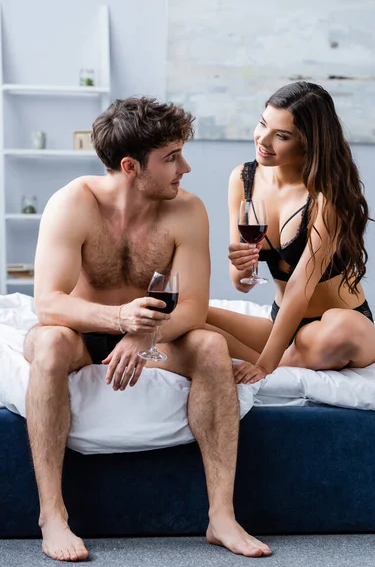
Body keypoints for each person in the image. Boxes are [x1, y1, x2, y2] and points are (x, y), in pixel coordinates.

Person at [24, 97, 271, 561]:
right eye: (172, 157)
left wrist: (143, 335)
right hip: (82, 331)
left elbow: (194, 307)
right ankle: (52, 516)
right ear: (130, 166)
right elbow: (48, 304)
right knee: (50, 344)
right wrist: (119, 320)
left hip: (153, 334)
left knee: (212, 347)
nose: (186, 167)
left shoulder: (186, 211)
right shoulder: (73, 203)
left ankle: (222, 517)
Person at [207, 81, 375, 384]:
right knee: (191, 311)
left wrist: (265, 365)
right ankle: (287, 356)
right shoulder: (243, 179)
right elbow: (241, 284)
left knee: (342, 327)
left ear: (308, 142)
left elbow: (301, 286)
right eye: (263, 124)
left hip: (339, 328)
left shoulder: (326, 195)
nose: (264, 140)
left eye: (282, 136)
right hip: (284, 323)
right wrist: (241, 265)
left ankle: (270, 360)